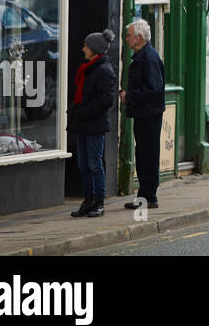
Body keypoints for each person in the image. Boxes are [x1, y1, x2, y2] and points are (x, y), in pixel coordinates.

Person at [67, 29, 116, 218]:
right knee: (83, 165)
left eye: (86, 46)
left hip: (94, 125)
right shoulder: (88, 69)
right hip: (83, 123)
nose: (83, 49)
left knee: (95, 165)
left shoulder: (104, 70)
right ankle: (88, 200)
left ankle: (99, 202)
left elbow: (106, 101)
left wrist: (82, 112)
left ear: (95, 49)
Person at [120, 19, 165, 211]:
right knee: (143, 154)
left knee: (147, 155)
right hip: (144, 113)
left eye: (129, 35)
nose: (127, 39)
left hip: (149, 114)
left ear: (139, 38)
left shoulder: (149, 58)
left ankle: (149, 196)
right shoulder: (143, 56)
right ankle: (144, 196)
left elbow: (154, 89)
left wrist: (129, 96)